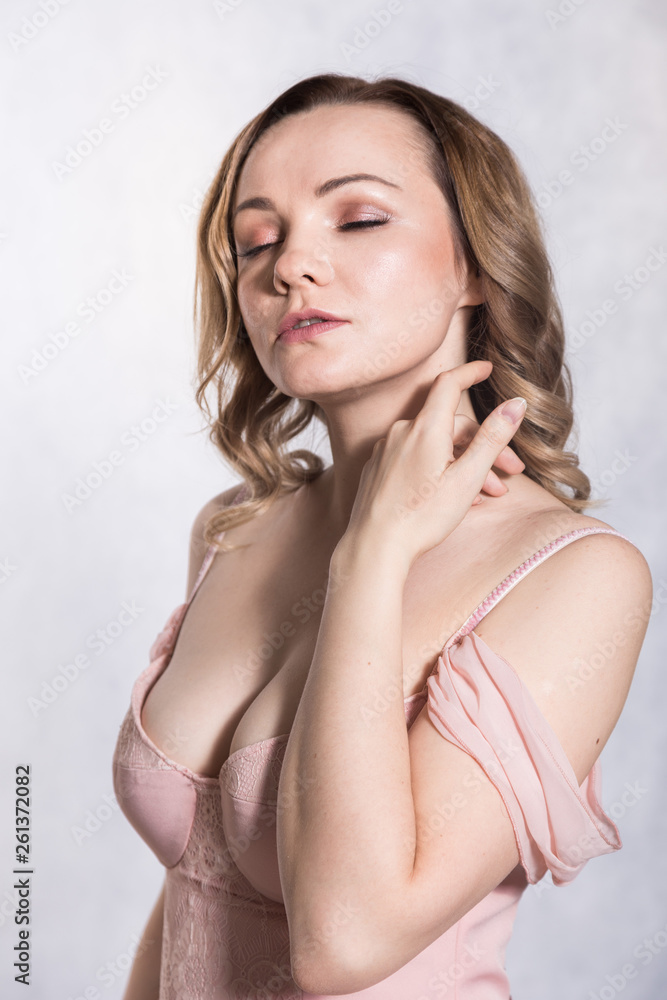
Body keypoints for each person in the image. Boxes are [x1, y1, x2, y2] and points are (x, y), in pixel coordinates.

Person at [112, 72, 652, 999]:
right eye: (256, 240)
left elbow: (343, 944)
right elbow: (189, 894)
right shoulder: (233, 533)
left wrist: (372, 558)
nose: (289, 266)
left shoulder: (574, 576)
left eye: (357, 219)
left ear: (476, 264)